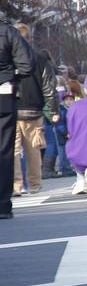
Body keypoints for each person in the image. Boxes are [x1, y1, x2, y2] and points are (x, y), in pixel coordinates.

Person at [11, 24, 57, 196]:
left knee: (13, 150)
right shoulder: (39, 59)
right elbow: (48, 87)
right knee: (33, 149)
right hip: (34, 109)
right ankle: (35, 184)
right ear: (29, 38)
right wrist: (53, 111)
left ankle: (16, 185)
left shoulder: (8, 59)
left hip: (11, 108)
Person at [0, 23, 33, 218]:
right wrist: (11, 76)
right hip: (3, 94)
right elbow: (27, 65)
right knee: (4, 150)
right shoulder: (8, 32)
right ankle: (3, 204)